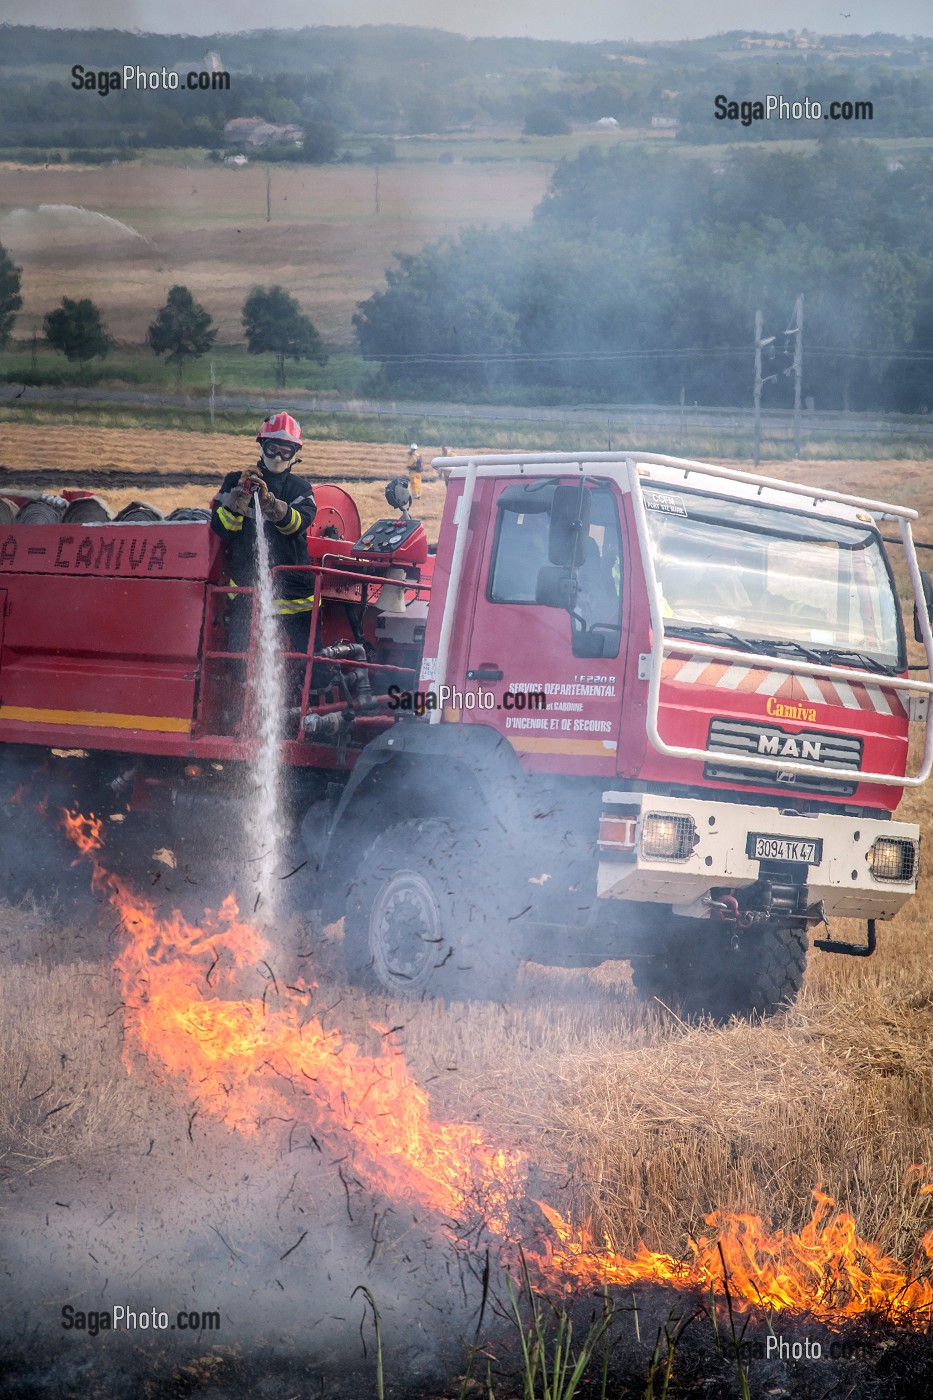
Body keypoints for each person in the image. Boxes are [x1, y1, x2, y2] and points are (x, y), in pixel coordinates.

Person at [211, 412, 318, 698]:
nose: (280, 454)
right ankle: (250, 704)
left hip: (294, 597)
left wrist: (270, 503)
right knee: (241, 661)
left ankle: (293, 705)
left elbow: (295, 524)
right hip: (248, 593)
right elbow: (224, 528)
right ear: (262, 445)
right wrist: (238, 499)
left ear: (296, 453)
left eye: (287, 449)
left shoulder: (301, 490)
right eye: (274, 447)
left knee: (303, 665)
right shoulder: (235, 482)